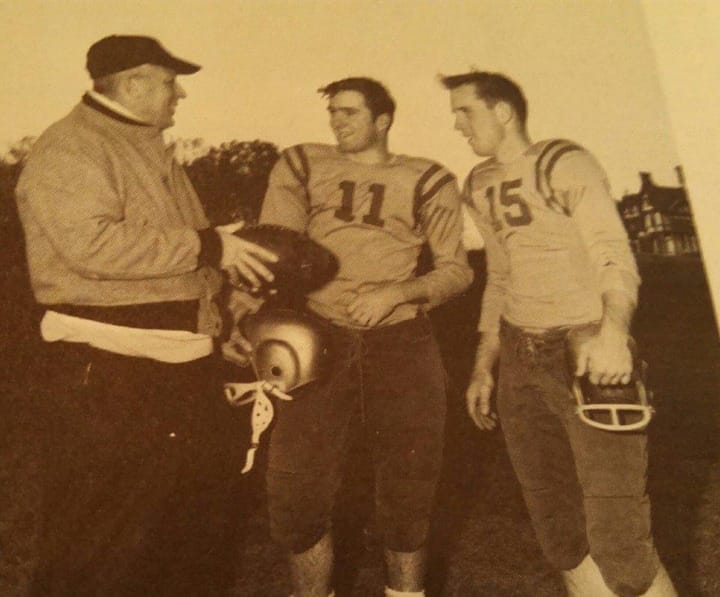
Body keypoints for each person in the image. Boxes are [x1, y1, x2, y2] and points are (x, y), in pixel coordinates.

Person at [15, 35, 278, 596]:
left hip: (178, 372)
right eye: (168, 81)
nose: (178, 93)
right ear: (133, 84)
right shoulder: (72, 147)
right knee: (96, 540)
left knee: (185, 534)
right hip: (110, 375)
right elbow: (90, 246)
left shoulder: (146, 148)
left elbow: (188, 259)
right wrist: (209, 246)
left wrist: (221, 326)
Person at [441, 71, 676, 596]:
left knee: (621, 543)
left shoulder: (563, 162)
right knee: (560, 532)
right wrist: (484, 363)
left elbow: (613, 252)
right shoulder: (478, 183)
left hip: (585, 350)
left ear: (502, 112)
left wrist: (614, 331)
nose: (456, 124)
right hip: (520, 358)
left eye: (465, 111)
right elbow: (498, 277)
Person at [252, 77, 473, 597]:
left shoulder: (427, 177)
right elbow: (275, 249)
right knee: (298, 490)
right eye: (334, 113)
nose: (338, 122)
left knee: (409, 486)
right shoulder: (304, 164)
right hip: (317, 338)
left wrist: (398, 291)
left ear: (383, 120)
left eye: (350, 113)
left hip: (398, 339)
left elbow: (456, 270)